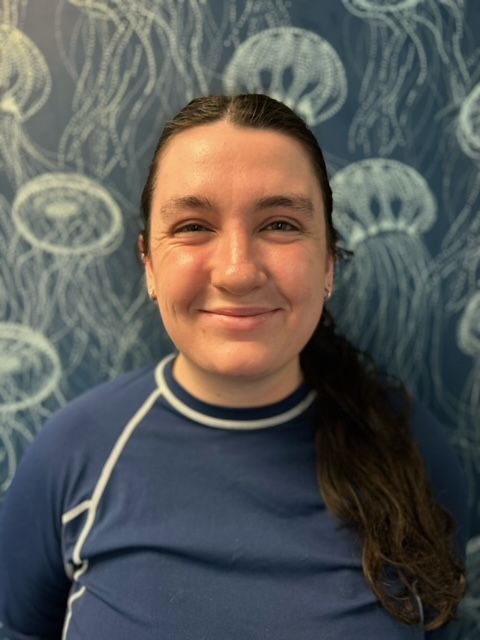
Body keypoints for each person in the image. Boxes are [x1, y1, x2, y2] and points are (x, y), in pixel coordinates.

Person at [0, 94, 467, 639]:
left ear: (329, 265)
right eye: (194, 226)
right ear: (149, 264)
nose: (238, 271)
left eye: (281, 224)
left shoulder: (407, 442)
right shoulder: (74, 453)